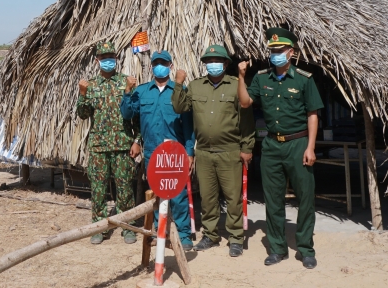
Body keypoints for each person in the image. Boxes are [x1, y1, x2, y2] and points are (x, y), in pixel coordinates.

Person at [237, 28, 324, 269]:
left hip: (298, 144)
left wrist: (311, 147)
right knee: (272, 199)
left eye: (280, 50)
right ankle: (277, 248)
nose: (275, 54)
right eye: (272, 51)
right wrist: (241, 77)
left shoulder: (304, 79)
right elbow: (245, 102)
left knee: (305, 197)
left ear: (291, 52)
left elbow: (313, 114)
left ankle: (305, 248)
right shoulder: (261, 78)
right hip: (272, 145)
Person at [171, 44, 255, 257]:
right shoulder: (196, 86)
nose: (213, 64)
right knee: (208, 198)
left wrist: (247, 147)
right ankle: (210, 235)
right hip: (205, 152)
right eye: (209, 61)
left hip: (230, 151)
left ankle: (236, 237)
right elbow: (180, 108)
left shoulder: (236, 85)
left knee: (232, 197)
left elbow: (246, 120)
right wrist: (178, 84)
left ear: (226, 64)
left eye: (217, 60)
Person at [121, 50, 196, 250]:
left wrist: (189, 152)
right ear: (152, 66)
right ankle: (158, 231)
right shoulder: (142, 91)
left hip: (175, 150)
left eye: (163, 63)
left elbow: (188, 125)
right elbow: (128, 113)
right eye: (156, 63)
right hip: (152, 150)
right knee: (155, 193)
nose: (159, 66)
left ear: (170, 66)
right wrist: (127, 91)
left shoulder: (180, 91)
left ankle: (183, 235)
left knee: (178, 194)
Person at [77, 40, 142, 245]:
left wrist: (137, 140)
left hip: (123, 144)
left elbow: (136, 116)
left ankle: (126, 227)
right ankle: (99, 227)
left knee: (124, 188)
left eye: (111, 57)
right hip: (99, 146)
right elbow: (83, 114)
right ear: (97, 60)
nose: (108, 61)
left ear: (116, 59)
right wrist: (82, 95)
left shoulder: (127, 82)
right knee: (98, 189)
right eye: (104, 58)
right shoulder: (91, 85)